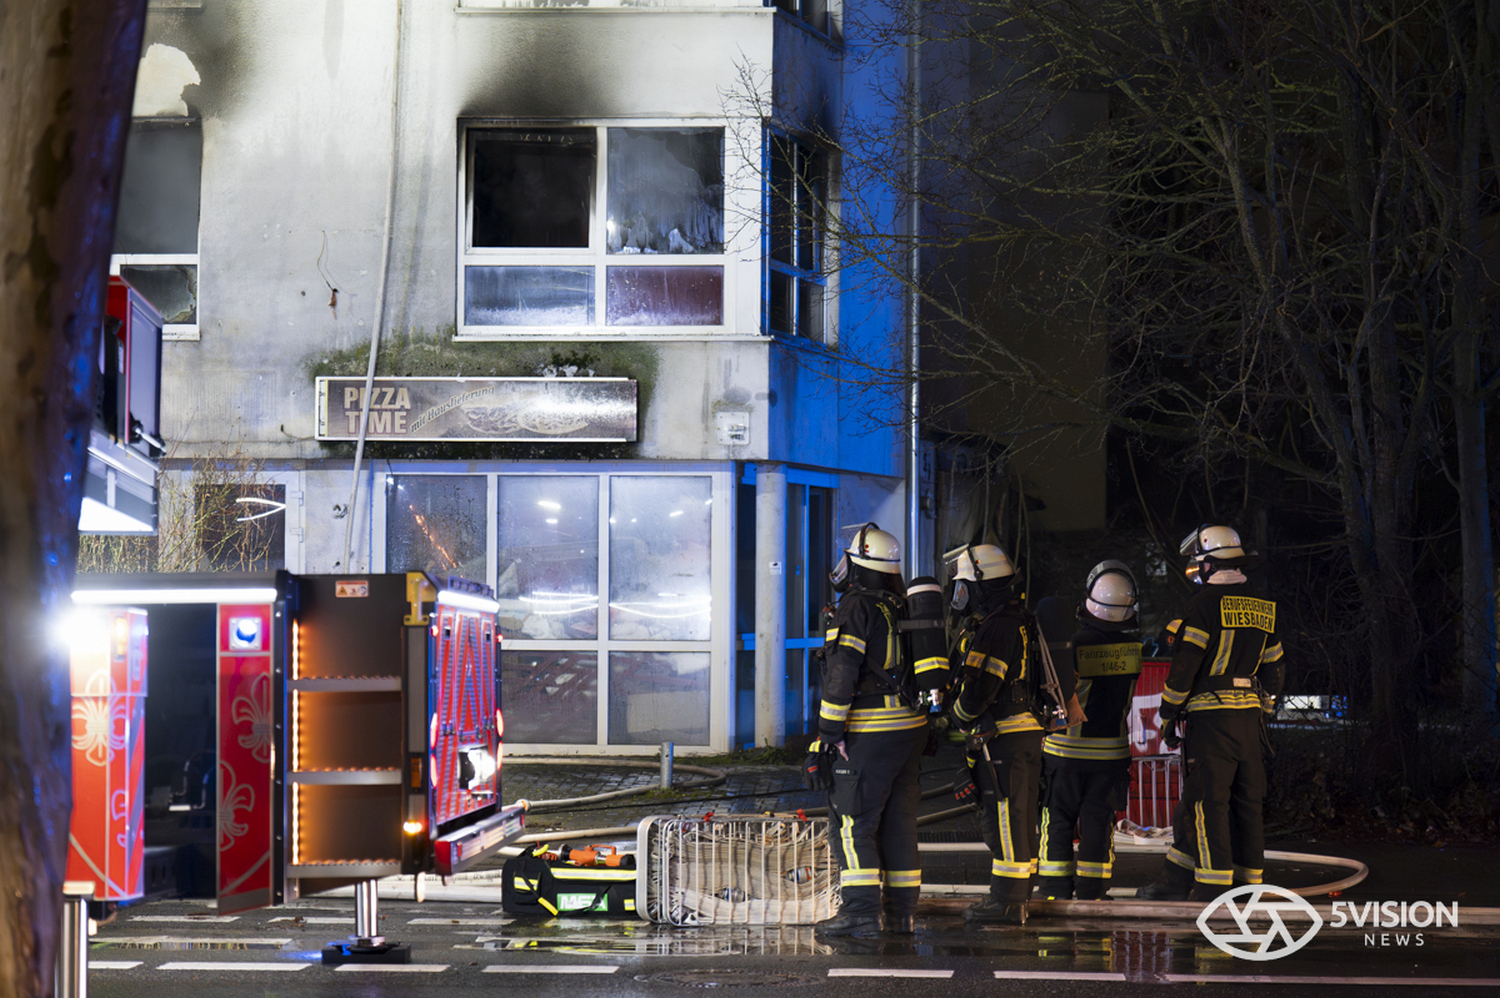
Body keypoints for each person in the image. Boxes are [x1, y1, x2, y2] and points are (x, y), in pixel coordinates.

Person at [1139, 525, 1285, 901]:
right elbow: (1275, 668)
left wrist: (1168, 714)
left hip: (1210, 722)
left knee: (1208, 801)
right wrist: (1261, 707)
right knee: (1247, 801)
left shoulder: (1203, 606)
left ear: (1208, 564)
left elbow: (1185, 666)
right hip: (1249, 724)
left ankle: (1212, 886)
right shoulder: (1263, 606)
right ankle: (1240, 881)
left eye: (1197, 565)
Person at [809, 523, 927, 937]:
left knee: (852, 821)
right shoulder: (902, 605)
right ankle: (901, 915)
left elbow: (841, 676)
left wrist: (827, 735)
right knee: (899, 822)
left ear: (858, 565)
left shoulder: (856, 608)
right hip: (910, 729)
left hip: (869, 732)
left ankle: (859, 915)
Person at [946, 542, 1066, 925]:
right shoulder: (1017, 618)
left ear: (982, 585)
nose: (959, 594)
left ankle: (1008, 902)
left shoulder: (997, 626)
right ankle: (1015, 895)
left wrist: (958, 715)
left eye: (964, 585)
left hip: (1005, 734)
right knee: (1018, 814)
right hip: (1024, 731)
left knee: (1006, 817)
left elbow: (982, 687)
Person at [1037, 561, 1143, 901]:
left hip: (1065, 754)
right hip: (1111, 755)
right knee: (1099, 823)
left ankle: (1054, 888)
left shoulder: (1071, 646)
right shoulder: (1133, 651)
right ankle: (1093, 890)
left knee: (1058, 821)